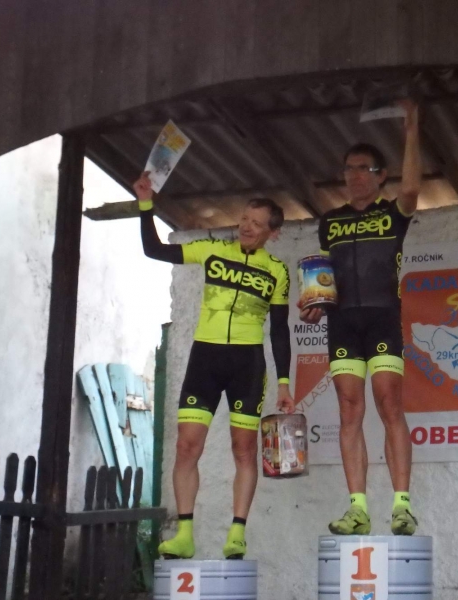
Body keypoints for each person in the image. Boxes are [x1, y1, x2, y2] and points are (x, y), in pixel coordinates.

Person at [134, 173, 295, 559]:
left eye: (257, 223)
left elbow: (279, 331)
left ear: (272, 233)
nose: (247, 227)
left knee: (244, 450)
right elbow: (154, 250)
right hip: (205, 359)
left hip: (247, 363)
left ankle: (237, 533)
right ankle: (184, 535)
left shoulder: (277, 271)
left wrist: (284, 383)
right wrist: (145, 204)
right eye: (244, 219)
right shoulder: (212, 250)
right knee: (187, 446)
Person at [300, 101, 421, 536]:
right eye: (348, 169)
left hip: (383, 318)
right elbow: (324, 279)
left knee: (390, 403)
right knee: (349, 410)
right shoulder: (330, 222)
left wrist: (411, 131)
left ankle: (402, 506)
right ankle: (358, 509)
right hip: (343, 325)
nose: (353, 175)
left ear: (380, 175)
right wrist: (315, 305)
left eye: (363, 169)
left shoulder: (392, 213)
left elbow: (412, 189)